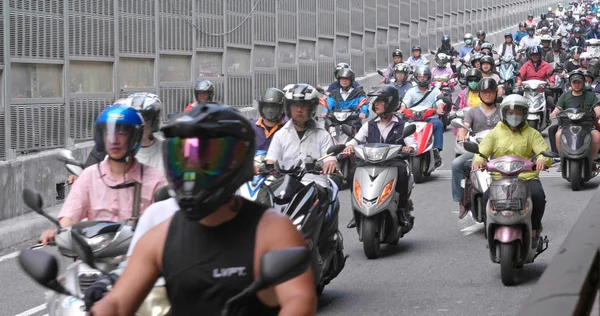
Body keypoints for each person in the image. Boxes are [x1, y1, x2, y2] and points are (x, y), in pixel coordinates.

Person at [89, 103, 317, 316]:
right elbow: (118, 302)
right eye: (184, 160)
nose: (192, 173)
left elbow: (299, 299)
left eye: (207, 162)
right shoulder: (159, 239)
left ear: (236, 163)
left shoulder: (273, 231)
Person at [39, 105, 168, 244]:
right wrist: (56, 232)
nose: (114, 140)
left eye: (122, 133)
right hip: (93, 258)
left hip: (136, 258)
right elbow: (70, 216)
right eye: (108, 133)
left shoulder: (155, 180)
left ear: (134, 137)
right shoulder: (89, 176)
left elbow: (166, 226)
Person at [472, 94, 552, 245]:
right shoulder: (495, 133)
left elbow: (543, 152)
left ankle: (534, 229)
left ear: (524, 114)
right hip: (499, 178)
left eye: (518, 113)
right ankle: (488, 227)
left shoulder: (532, 134)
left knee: (538, 196)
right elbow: (481, 151)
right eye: (510, 113)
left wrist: (542, 160)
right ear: (504, 114)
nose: (514, 116)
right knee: (486, 198)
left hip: (526, 177)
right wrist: (479, 160)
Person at [343, 85, 417, 229]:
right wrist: (349, 146)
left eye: (380, 101)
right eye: (375, 101)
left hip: (393, 163)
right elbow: (357, 140)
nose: (375, 104)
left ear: (390, 102)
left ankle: (401, 210)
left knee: (402, 171)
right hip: (370, 162)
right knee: (353, 173)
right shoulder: (369, 125)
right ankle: (356, 211)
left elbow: (414, 145)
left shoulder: (403, 125)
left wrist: (410, 148)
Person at [69, 93, 166, 185]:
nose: (139, 125)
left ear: (154, 123)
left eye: (145, 119)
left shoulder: (168, 149)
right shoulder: (115, 149)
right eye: (133, 121)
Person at [452, 78, 502, 219]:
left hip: (499, 151)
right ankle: (461, 201)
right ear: (479, 94)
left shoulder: (502, 110)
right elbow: (465, 127)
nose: (488, 95)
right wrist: (462, 135)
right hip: (477, 150)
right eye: (485, 92)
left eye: (491, 92)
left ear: (495, 93)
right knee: (456, 164)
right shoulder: (472, 112)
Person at [548, 70, 600, 159]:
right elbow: (558, 109)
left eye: (579, 82)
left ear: (583, 83)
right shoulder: (565, 95)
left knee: (596, 136)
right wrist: (553, 114)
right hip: (567, 125)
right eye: (574, 82)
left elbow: (597, 109)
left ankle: (591, 161)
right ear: (570, 83)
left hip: (587, 126)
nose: (577, 85)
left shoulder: (591, 96)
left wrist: (598, 113)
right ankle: (562, 159)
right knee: (558, 135)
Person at [400, 66, 444, 166]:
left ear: (429, 77)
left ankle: (436, 150)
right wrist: (401, 110)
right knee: (404, 127)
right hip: (413, 119)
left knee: (438, 123)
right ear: (416, 77)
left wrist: (439, 109)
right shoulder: (411, 91)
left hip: (429, 118)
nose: (422, 78)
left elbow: (439, 102)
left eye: (424, 76)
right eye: (420, 77)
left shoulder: (435, 90)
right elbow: (404, 104)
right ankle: (404, 150)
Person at [253, 88, 286, 152]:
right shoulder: (251, 127)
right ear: (261, 107)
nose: (270, 110)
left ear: (281, 108)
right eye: (267, 106)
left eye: (273, 106)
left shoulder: (287, 129)